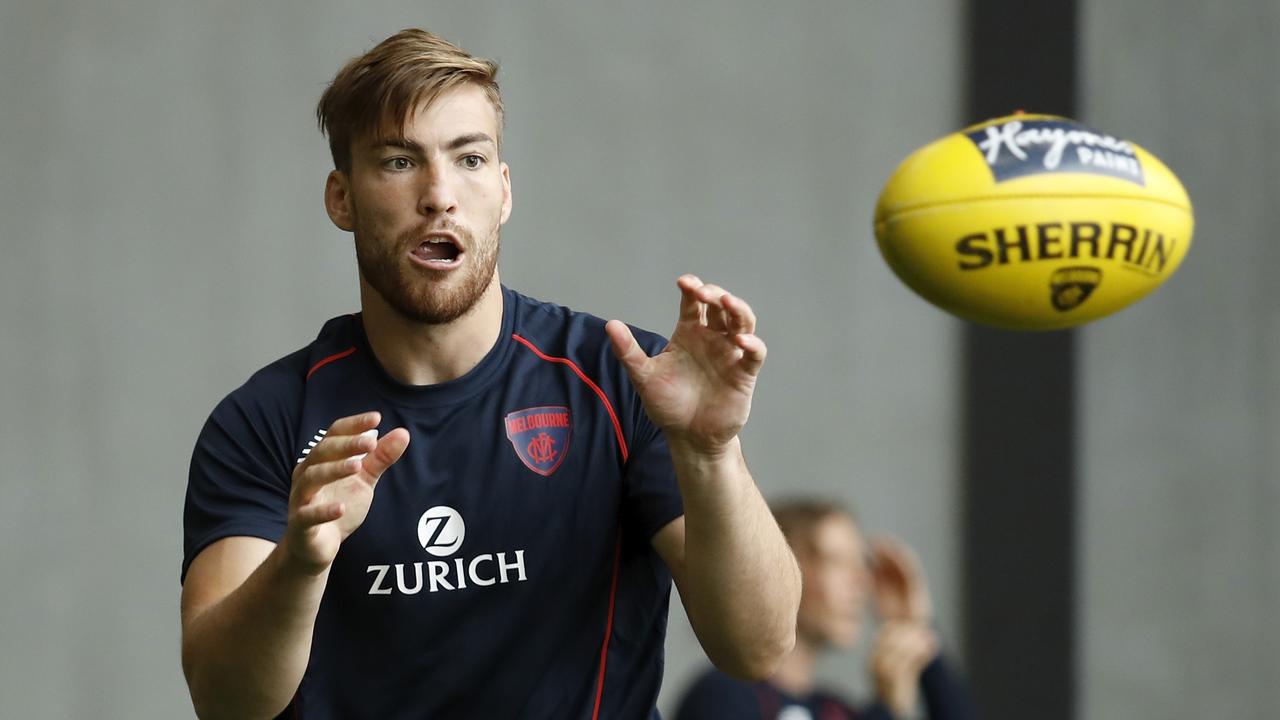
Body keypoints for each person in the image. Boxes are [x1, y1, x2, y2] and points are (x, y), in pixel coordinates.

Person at [178, 28, 801, 720]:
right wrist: (300, 563)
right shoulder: (266, 420)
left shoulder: (623, 381)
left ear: (503, 192)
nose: (439, 194)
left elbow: (760, 649)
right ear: (341, 198)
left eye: (469, 158)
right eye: (397, 161)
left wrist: (710, 453)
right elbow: (224, 702)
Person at [673, 499, 973, 720]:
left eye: (861, 564)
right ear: (782, 572)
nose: (861, 581)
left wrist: (918, 624)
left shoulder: (835, 709)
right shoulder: (721, 695)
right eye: (837, 561)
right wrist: (885, 709)